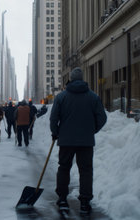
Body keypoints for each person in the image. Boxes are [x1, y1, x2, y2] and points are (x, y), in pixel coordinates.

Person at [50, 67, 107, 216]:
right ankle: (85, 202)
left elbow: (54, 118)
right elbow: (102, 118)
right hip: (86, 142)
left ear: (71, 79)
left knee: (64, 168)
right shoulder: (93, 97)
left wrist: (55, 132)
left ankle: (62, 199)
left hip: (66, 141)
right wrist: (91, 130)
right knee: (86, 171)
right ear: (82, 79)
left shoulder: (61, 97)